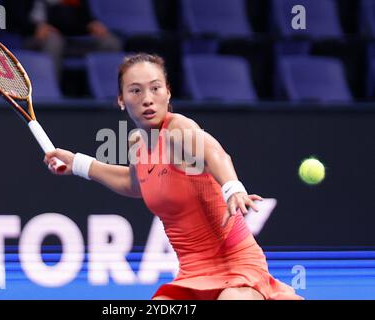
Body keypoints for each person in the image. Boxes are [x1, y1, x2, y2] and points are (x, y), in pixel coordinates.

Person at [43, 53, 303, 300]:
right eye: (135, 90)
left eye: (155, 88)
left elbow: (215, 155)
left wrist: (233, 188)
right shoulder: (137, 143)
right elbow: (134, 183)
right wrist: (77, 163)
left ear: (168, 93)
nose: (148, 98)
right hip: (191, 274)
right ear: (121, 99)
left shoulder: (178, 128)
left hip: (237, 265)